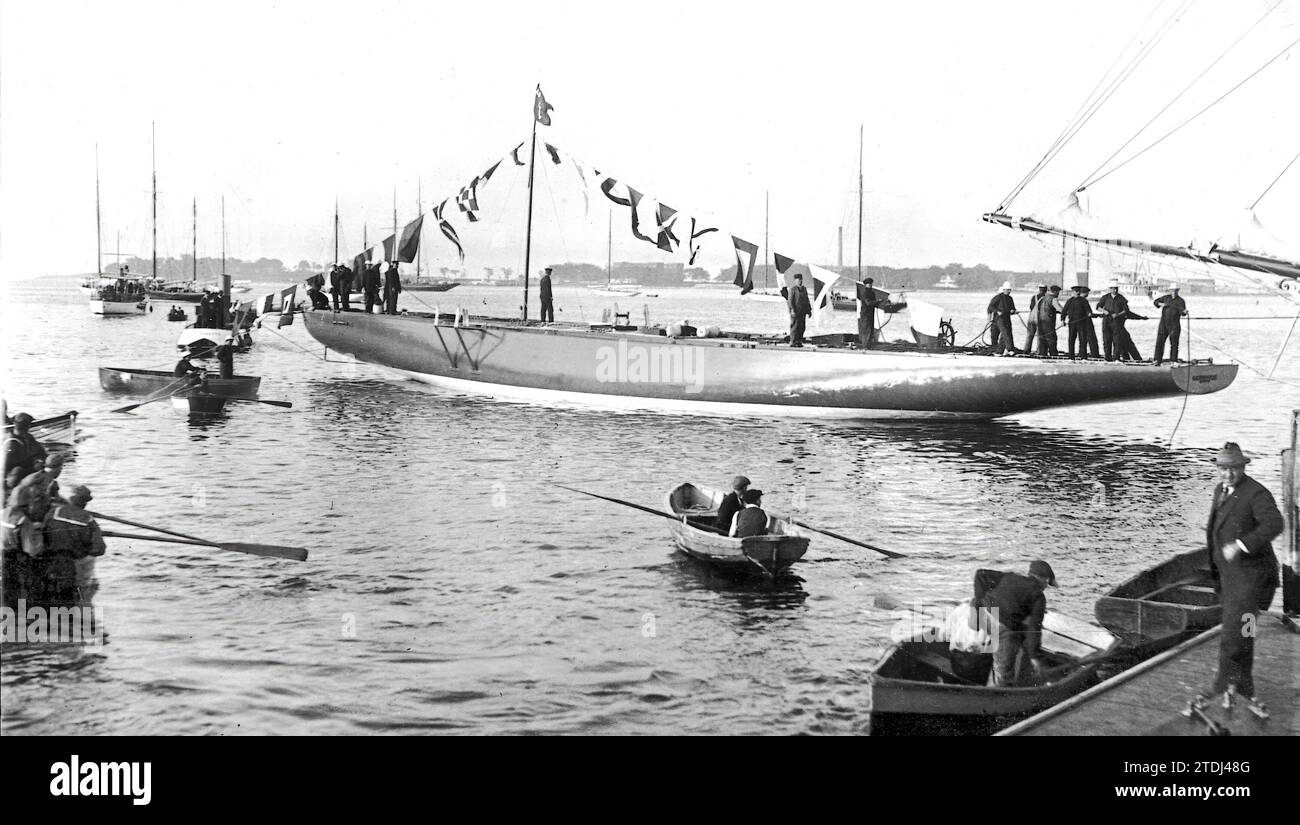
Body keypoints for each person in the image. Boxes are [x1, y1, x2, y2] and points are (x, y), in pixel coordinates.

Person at [1199, 442, 1283, 715]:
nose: (1228, 474)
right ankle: (1242, 686)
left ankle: (1224, 687)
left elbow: (1274, 524)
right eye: (1223, 469)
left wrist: (1241, 545)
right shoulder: (1220, 490)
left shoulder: (1256, 493)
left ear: (1243, 467)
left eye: (1234, 469)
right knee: (1244, 632)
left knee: (1236, 634)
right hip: (1231, 579)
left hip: (1253, 582)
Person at [975, 560, 1056, 687]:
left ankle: (993, 670)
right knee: (1004, 670)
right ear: (1044, 580)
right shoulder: (1038, 596)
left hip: (984, 615)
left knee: (1004, 645)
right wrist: (1034, 656)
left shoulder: (1010, 576)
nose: (1046, 587)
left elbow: (980, 574)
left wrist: (979, 601)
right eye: (1047, 583)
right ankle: (1001, 694)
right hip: (1001, 627)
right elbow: (1035, 629)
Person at [40, 483, 106, 606]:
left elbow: (42, 533)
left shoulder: (54, 512)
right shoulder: (88, 519)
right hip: (75, 564)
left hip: (53, 561)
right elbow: (100, 549)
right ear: (85, 503)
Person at [1, 483, 47, 609]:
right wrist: (37, 536)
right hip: (14, 560)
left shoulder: (2, 512)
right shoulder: (23, 520)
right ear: (28, 503)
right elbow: (31, 550)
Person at [4, 412, 47, 483]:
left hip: (29, 471)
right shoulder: (11, 443)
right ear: (27, 426)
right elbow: (6, 466)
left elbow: (40, 451)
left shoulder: (28, 437)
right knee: (18, 470)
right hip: (16, 477)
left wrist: (39, 460)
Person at [1094, 280, 1130, 361]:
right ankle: (1107, 357)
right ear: (1110, 289)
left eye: (1116, 289)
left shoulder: (1121, 298)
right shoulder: (1105, 297)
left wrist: (1118, 314)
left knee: (1117, 340)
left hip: (1117, 321)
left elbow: (1126, 310)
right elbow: (1098, 307)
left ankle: (1116, 357)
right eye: (1113, 289)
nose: (1115, 290)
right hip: (1106, 320)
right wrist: (1104, 311)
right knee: (1106, 339)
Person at [1153, 284, 1188, 365]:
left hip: (1174, 324)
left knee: (1174, 344)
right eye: (1172, 290)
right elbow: (1155, 302)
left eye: (1175, 290)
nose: (1174, 292)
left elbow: (1182, 313)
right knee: (1160, 342)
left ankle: (1174, 361)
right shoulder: (1165, 298)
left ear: (1178, 291)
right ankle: (1157, 360)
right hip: (1163, 323)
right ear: (1170, 290)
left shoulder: (1181, 301)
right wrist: (1160, 304)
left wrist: (1184, 312)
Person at [986, 281, 1018, 355]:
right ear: (1003, 290)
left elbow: (1012, 308)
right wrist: (997, 311)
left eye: (1009, 290)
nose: (1009, 291)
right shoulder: (998, 297)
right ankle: (1010, 349)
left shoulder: (1010, 298)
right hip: (999, 318)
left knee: (1008, 333)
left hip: (1007, 318)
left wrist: (1013, 311)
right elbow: (990, 307)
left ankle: (999, 351)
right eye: (1007, 290)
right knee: (1004, 333)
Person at [1062, 285, 1093, 359]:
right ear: (1073, 292)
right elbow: (1064, 311)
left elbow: (1088, 310)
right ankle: (1071, 357)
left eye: (1078, 291)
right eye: (1076, 291)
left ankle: (1083, 357)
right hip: (1072, 322)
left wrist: (1089, 313)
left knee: (1082, 339)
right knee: (1071, 339)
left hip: (1081, 322)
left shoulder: (1084, 300)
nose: (1077, 293)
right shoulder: (1070, 301)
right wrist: (1063, 319)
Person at [1035, 285, 1064, 356]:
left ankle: (1042, 353)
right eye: (1058, 292)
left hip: (1040, 321)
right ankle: (1053, 354)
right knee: (1052, 338)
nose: (1058, 294)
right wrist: (1067, 312)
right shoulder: (1053, 299)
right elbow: (1059, 308)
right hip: (1048, 322)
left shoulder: (1043, 298)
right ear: (1055, 292)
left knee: (1042, 339)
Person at [787, 273, 812, 347]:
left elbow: (807, 300)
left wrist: (809, 310)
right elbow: (790, 301)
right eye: (798, 280)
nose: (800, 281)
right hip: (795, 311)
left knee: (802, 327)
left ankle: (799, 341)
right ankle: (793, 341)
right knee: (795, 327)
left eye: (801, 280)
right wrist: (792, 310)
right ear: (795, 281)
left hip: (802, 311)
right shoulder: (792, 289)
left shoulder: (804, 289)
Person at [856, 277, 880, 348]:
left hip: (871, 314)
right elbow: (868, 303)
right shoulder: (865, 293)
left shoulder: (872, 293)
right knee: (866, 330)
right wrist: (878, 302)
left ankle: (869, 346)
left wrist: (879, 302)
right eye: (868, 284)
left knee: (871, 330)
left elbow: (873, 303)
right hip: (865, 315)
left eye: (870, 284)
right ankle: (865, 346)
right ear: (865, 285)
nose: (870, 285)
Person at [1025, 283, 1047, 354]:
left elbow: (1031, 307)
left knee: (1029, 336)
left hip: (1031, 319)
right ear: (1045, 290)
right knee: (1040, 336)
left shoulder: (1034, 297)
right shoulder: (1045, 298)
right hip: (1039, 319)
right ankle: (1039, 352)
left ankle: (1026, 350)